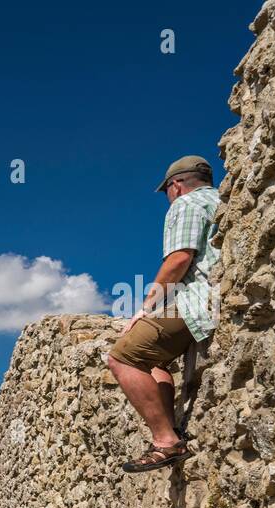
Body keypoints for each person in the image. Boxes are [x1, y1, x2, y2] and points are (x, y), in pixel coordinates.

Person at [108, 155, 221, 473]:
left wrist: (145, 308)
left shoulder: (185, 205)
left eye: (167, 191)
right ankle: (174, 429)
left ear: (175, 186)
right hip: (218, 295)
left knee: (121, 358)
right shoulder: (221, 200)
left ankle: (165, 441)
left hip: (198, 301)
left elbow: (179, 259)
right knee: (153, 360)